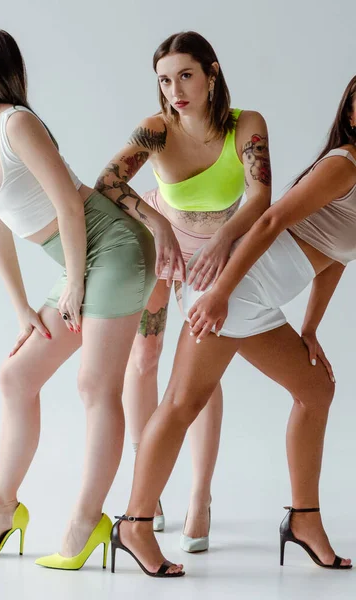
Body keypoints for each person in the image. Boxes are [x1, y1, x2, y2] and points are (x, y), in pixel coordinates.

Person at [0, 26, 184, 571]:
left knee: (94, 385)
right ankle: (0, 510)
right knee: (16, 377)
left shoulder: (17, 124)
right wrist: (22, 310)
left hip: (115, 248)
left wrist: (76, 285)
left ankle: (87, 522)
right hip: (82, 260)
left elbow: (65, 203)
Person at [110, 75, 356, 577]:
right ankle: (133, 523)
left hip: (256, 300)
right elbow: (267, 221)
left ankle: (304, 520)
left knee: (316, 390)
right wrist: (219, 292)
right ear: (351, 114)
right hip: (233, 289)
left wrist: (309, 329)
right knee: (183, 402)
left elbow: (337, 256)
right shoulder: (343, 165)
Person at [95, 30, 271, 550]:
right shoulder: (156, 129)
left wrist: (223, 239)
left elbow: (261, 195)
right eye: (165, 80)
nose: (176, 90)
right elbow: (107, 181)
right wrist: (159, 224)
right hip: (159, 248)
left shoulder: (247, 126)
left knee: (201, 375)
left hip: (213, 251)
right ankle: (146, 488)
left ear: (212, 72)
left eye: (186, 75)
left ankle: (200, 494)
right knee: (144, 359)